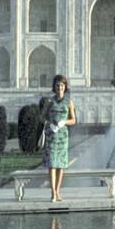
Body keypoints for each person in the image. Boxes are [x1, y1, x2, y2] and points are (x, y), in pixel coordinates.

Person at [41, 74, 76, 202]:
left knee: (60, 165)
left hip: (62, 136)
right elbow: (42, 117)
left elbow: (73, 120)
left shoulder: (69, 102)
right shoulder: (50, 101)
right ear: (54, 87)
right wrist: (49, 123)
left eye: (62, 85)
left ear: (65, 87)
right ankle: (53, 193)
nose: (60, 88)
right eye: (57, 85)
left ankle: (58, 191)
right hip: (52, 135)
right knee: (52, 165)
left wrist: (64, 122)